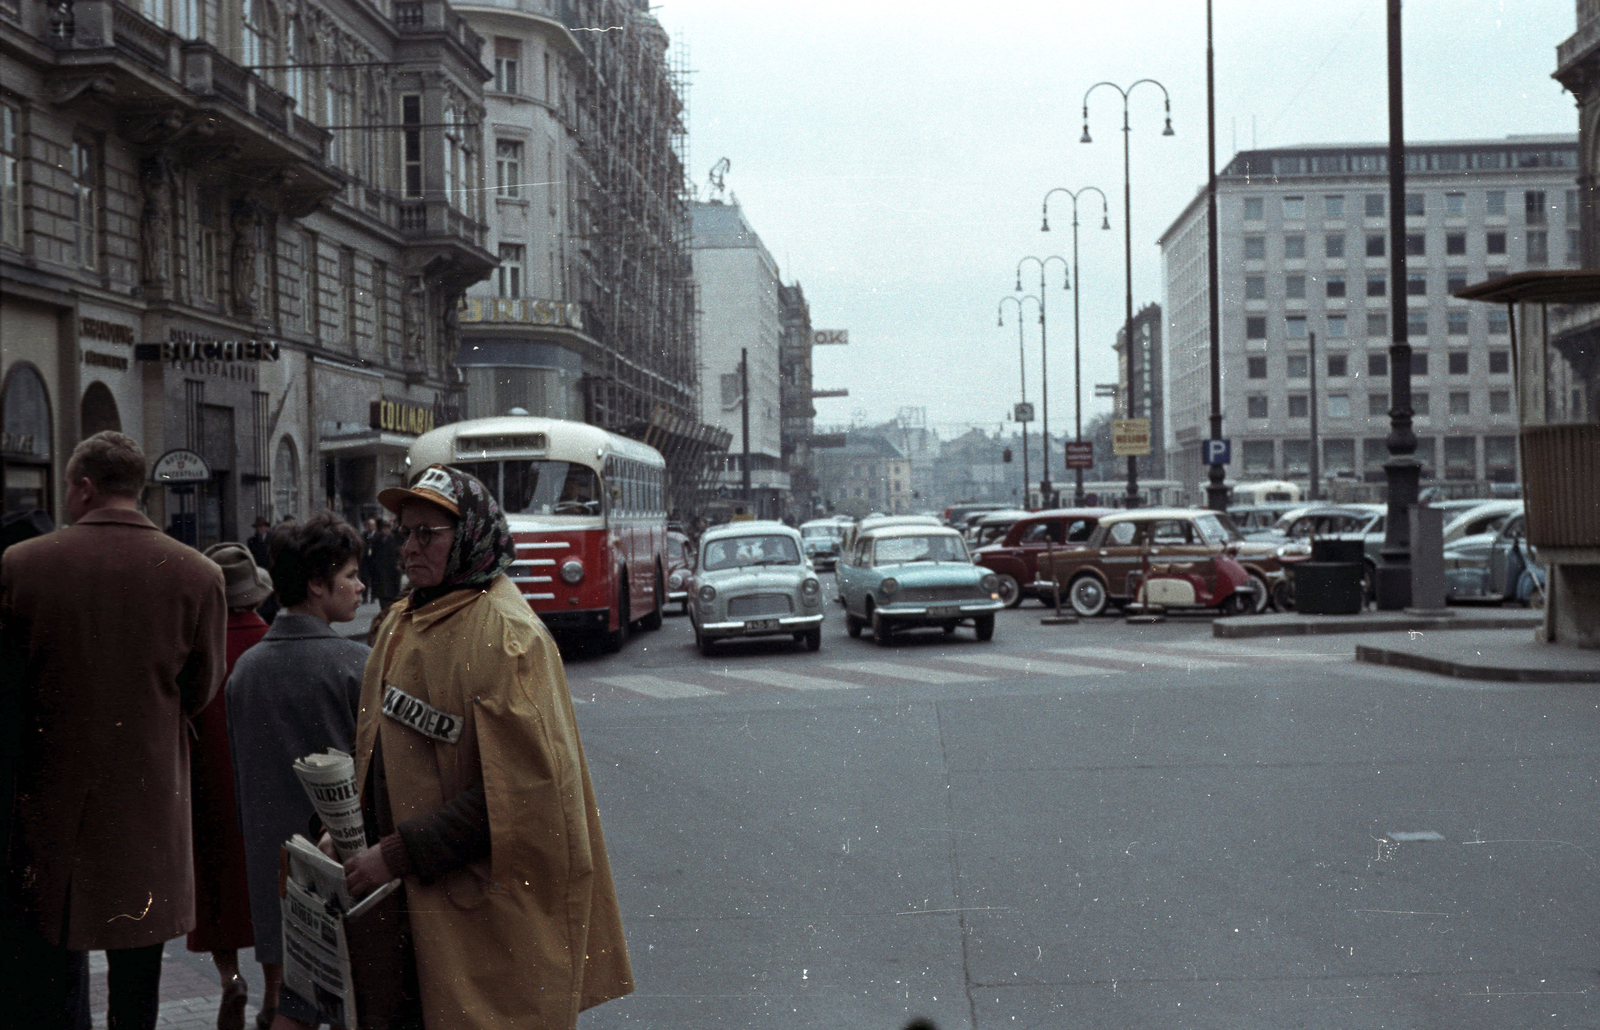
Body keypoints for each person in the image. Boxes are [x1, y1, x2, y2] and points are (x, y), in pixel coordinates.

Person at [298, 463, 631, 1029]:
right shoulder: (404, 620)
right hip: (409, 912)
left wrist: (395, 853)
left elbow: (524, 798)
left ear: (471, 534)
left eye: (427, 533)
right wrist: (348, 828)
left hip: (481, 927)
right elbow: (379, 754)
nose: (408, 548)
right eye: (405, 531)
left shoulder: (508, 637)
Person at [1, 431, 227, 1030]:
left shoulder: (23, 565)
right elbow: (202, 690)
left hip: (49, 815)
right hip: (147, 811)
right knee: (138, 989)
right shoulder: (197, 574)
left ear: (82, 486)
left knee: (49, 983)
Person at [226, 513, 369, 1030]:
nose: (360, 586)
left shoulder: (246, 670)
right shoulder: (357, 663)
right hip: (349, 873)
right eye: (350, 575)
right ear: (316, 585)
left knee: (296, 1001)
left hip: (275, 874)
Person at [189, 543, 275, 1030]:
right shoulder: (270, 643)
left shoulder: (198, 648)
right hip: (263, 792)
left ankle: (230, 980)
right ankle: (274, 994)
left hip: (210, 789)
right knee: (266, 894)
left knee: (219, 893)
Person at [367, 517, 403, 612]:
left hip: (392, 569)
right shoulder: (377, 540)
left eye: (387, 528)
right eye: (383, 529)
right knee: (382, 592)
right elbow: (373, 555)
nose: (385, 530)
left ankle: (392, 608)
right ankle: (384, 608)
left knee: (393, 591)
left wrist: (399, 565)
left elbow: (399, 553)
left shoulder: (394, 539)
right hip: (380, 570)